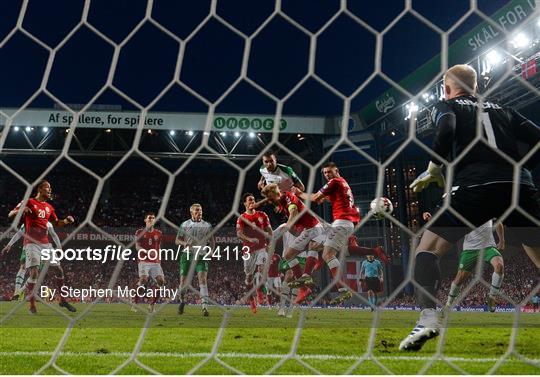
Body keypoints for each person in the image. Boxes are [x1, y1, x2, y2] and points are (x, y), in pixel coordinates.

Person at [399, 64, 540, 351]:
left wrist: (433, 168)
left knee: (426, 249)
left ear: (447, 88)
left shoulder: (448, 105)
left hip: (475, 186)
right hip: (519, 187)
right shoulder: (503, 108)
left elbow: (447, 129)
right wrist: (519, 171)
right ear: (474, 86)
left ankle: (428, 321)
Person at [293, 162, 361, 305]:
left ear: (337, 171)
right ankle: (306, 275)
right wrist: (325, 199)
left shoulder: (334, 181)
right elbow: (333, 198)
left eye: (330, 172)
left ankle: (343, 290)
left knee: (327, 254)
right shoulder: (342, 183)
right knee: (313, 243)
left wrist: (299, 194)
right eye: (325, 173)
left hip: (342, 223)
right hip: (342, 223)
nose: (327, 175)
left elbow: (315, 197)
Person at [8, 180, 76, 314]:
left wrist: (67, 221)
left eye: (50, 188)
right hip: (31, 243)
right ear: (39, 189)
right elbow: (11, 214)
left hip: (45, 244)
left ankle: (62, 300)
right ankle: (32, 305)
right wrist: (21, 210)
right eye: (47, 187)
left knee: (59, 270)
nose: (50, 190)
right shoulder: (29, 201)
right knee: (34, 273)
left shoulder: (49, 207)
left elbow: (57, 222)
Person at [445, 220, 505, 312]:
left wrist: (501, 240)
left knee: (499, 265)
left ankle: (492, 297)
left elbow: (498, 222)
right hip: (470, 249)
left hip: (488, 246)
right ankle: (448, 304)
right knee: (459, 279)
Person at [236, 193, 273, 314]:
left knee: (262, 269)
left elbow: (269, 231)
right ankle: (251, 300)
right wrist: (250, 239)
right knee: (249, 277)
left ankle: (260, 292)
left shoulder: (262, 215)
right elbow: (239, 233)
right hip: (248, 249)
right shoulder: (242, 217)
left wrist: (270, 244)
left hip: (262, 247)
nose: (252, 202)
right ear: (245, 203)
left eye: (253, 200)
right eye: (249, 200)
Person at [176, 203, 215, 317]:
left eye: (201, 210)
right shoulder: (185, 224)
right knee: (183, 282)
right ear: (191, 212)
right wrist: (184, 243)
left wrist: (211, 250)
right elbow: (177, 240)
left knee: (202, 280)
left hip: (201, 255)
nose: (200, 213)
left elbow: (212, 241)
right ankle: (182, 300)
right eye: (197, 211)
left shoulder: (207, 225)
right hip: (187, 255)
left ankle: (204, 306)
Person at [133, 212, 164, 313]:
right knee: (144, 280)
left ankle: (152, 305)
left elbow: (158, 247)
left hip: (155, 261)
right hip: (143, 260)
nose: (151, 219)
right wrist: (147, 252)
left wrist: (158, 259)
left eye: (153, 218)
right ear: (145, 220)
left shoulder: (159, 233)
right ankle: (135, 302)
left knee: (161, 281)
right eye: (149, 218)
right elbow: (137, 246)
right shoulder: (139, 232)